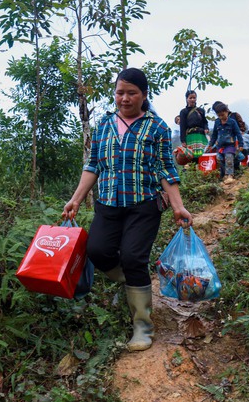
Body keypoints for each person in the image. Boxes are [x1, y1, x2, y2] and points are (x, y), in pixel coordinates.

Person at [62, 68, 192, 352]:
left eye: (131, 93)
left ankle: (142, 325)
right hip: (108, 204)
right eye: (120, 92)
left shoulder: (156, 127)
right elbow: (93, 165)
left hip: (144, 205)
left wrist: (178, 207)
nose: (124, 98)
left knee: (133, 257)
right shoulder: (103, 125)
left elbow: (165, 169)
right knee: (97, 251)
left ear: (144, 95)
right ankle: (136, 284)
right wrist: (75, 199)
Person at [206, 102, 244, 184]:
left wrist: (241, 144)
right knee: (220, 159)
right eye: (219, 115)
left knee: (229, 157)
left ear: (227, 112)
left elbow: (238, 133)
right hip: (220, 146)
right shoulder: (217, 122)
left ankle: (230, 175)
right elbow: (214, 135)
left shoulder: (232, 122)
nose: (221, 117)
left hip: (230, 145)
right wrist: (210, 145)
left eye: (222, 115)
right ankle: (224, 175)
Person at [179, 90, 209, 162]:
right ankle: (192, 171)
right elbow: (182, 126)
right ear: (187, 99)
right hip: (190, 136)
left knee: (202, 155)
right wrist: (183, 140)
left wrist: (206, 128)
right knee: (191, 156)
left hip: (200, 136)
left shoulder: (201, 110)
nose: (192, 99)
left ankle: (202, 170)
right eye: (190, 98)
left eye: (194, 98)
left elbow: (205, 122)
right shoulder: (183, 112)